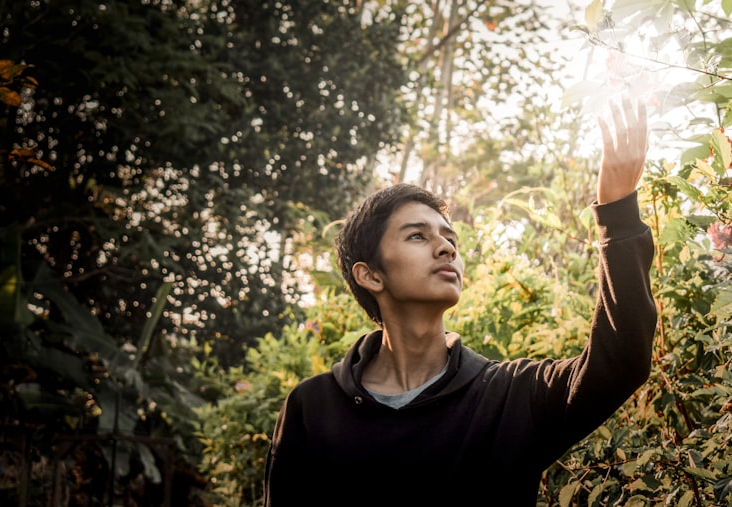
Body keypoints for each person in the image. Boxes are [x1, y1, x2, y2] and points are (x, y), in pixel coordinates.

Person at [263, 98, 657, 506]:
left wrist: (617, 210)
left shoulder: (509, 396)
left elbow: (620, 362)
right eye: (418, 236)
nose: (446, 249)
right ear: (370, 274)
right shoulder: (312, 408)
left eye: (451, 239)